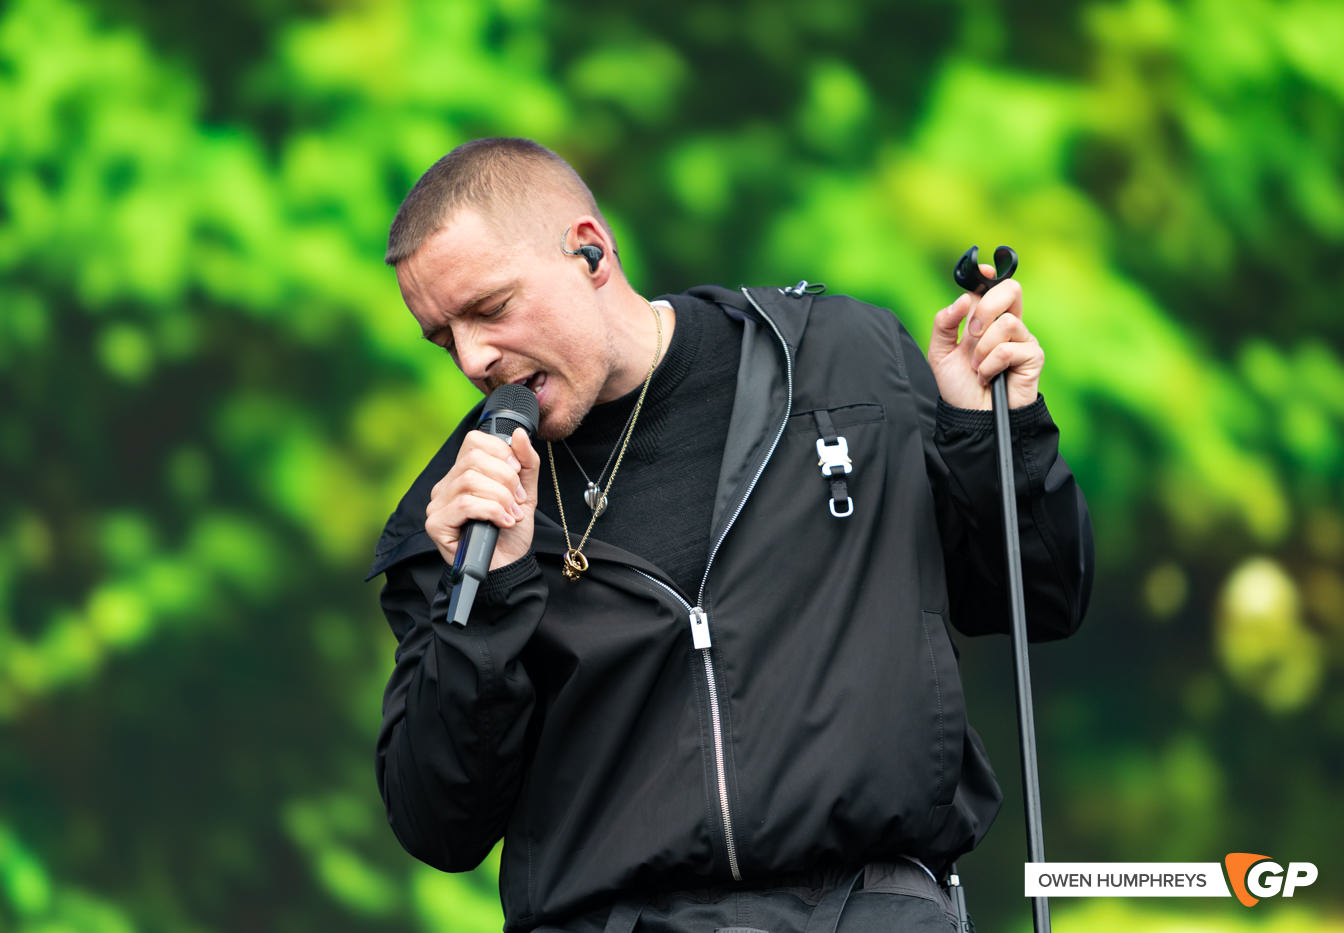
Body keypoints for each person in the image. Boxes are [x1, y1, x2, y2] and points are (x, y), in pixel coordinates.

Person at [368, 137, 1094, 933]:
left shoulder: (843, 362)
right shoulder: (454, 521)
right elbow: (441, 823)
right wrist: (489, 598)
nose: (473, 356)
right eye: (444, 337)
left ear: (590, 250)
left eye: (491, 309)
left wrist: (990, 433)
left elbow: (1041, 596)